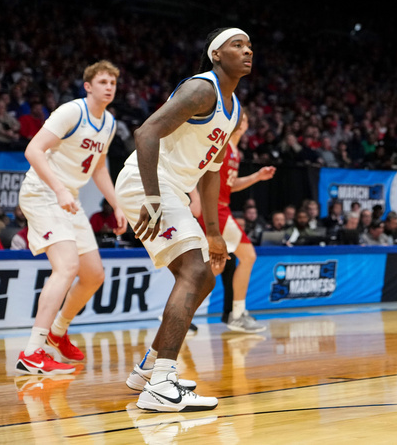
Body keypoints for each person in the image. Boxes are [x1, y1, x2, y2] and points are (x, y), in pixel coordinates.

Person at [114, 27, 251, 411]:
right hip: (150, 182)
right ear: (216, 55)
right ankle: (160, 385)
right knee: (195, 273)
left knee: (204, 274)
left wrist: (214, 233)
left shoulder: (233, 106)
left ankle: (150, 368)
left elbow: (211, 173)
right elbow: (146, 133)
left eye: (249, 46)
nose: (247, 51)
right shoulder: (201, 89)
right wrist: (153, 196)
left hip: (172, 188)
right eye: (236, 45)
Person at [14, 61, 127, 376]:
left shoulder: (109, 123)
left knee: (93, 275)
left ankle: (58, 331)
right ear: (88, 86)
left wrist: (116, 204)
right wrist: (61, 189)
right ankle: (32, 352)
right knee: (66, 267)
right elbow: (33, 151)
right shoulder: (71, 112)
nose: (109, 87)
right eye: (102, 81)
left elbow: (100, 167)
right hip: (43, 192)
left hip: (68, 198)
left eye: (113, 83)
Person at [189, 111, 275, 333]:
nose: (241, 121)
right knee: (248, 256)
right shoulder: (221, 144)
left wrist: (257, 177)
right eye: (238, 117)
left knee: (216, 267)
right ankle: (237, 314)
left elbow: (231, 184)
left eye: (244, 118)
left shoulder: (235, 152)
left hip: (221, 208)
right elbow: (195, 168)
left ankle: (178, 313)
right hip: (214, 209)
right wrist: (195, 197)